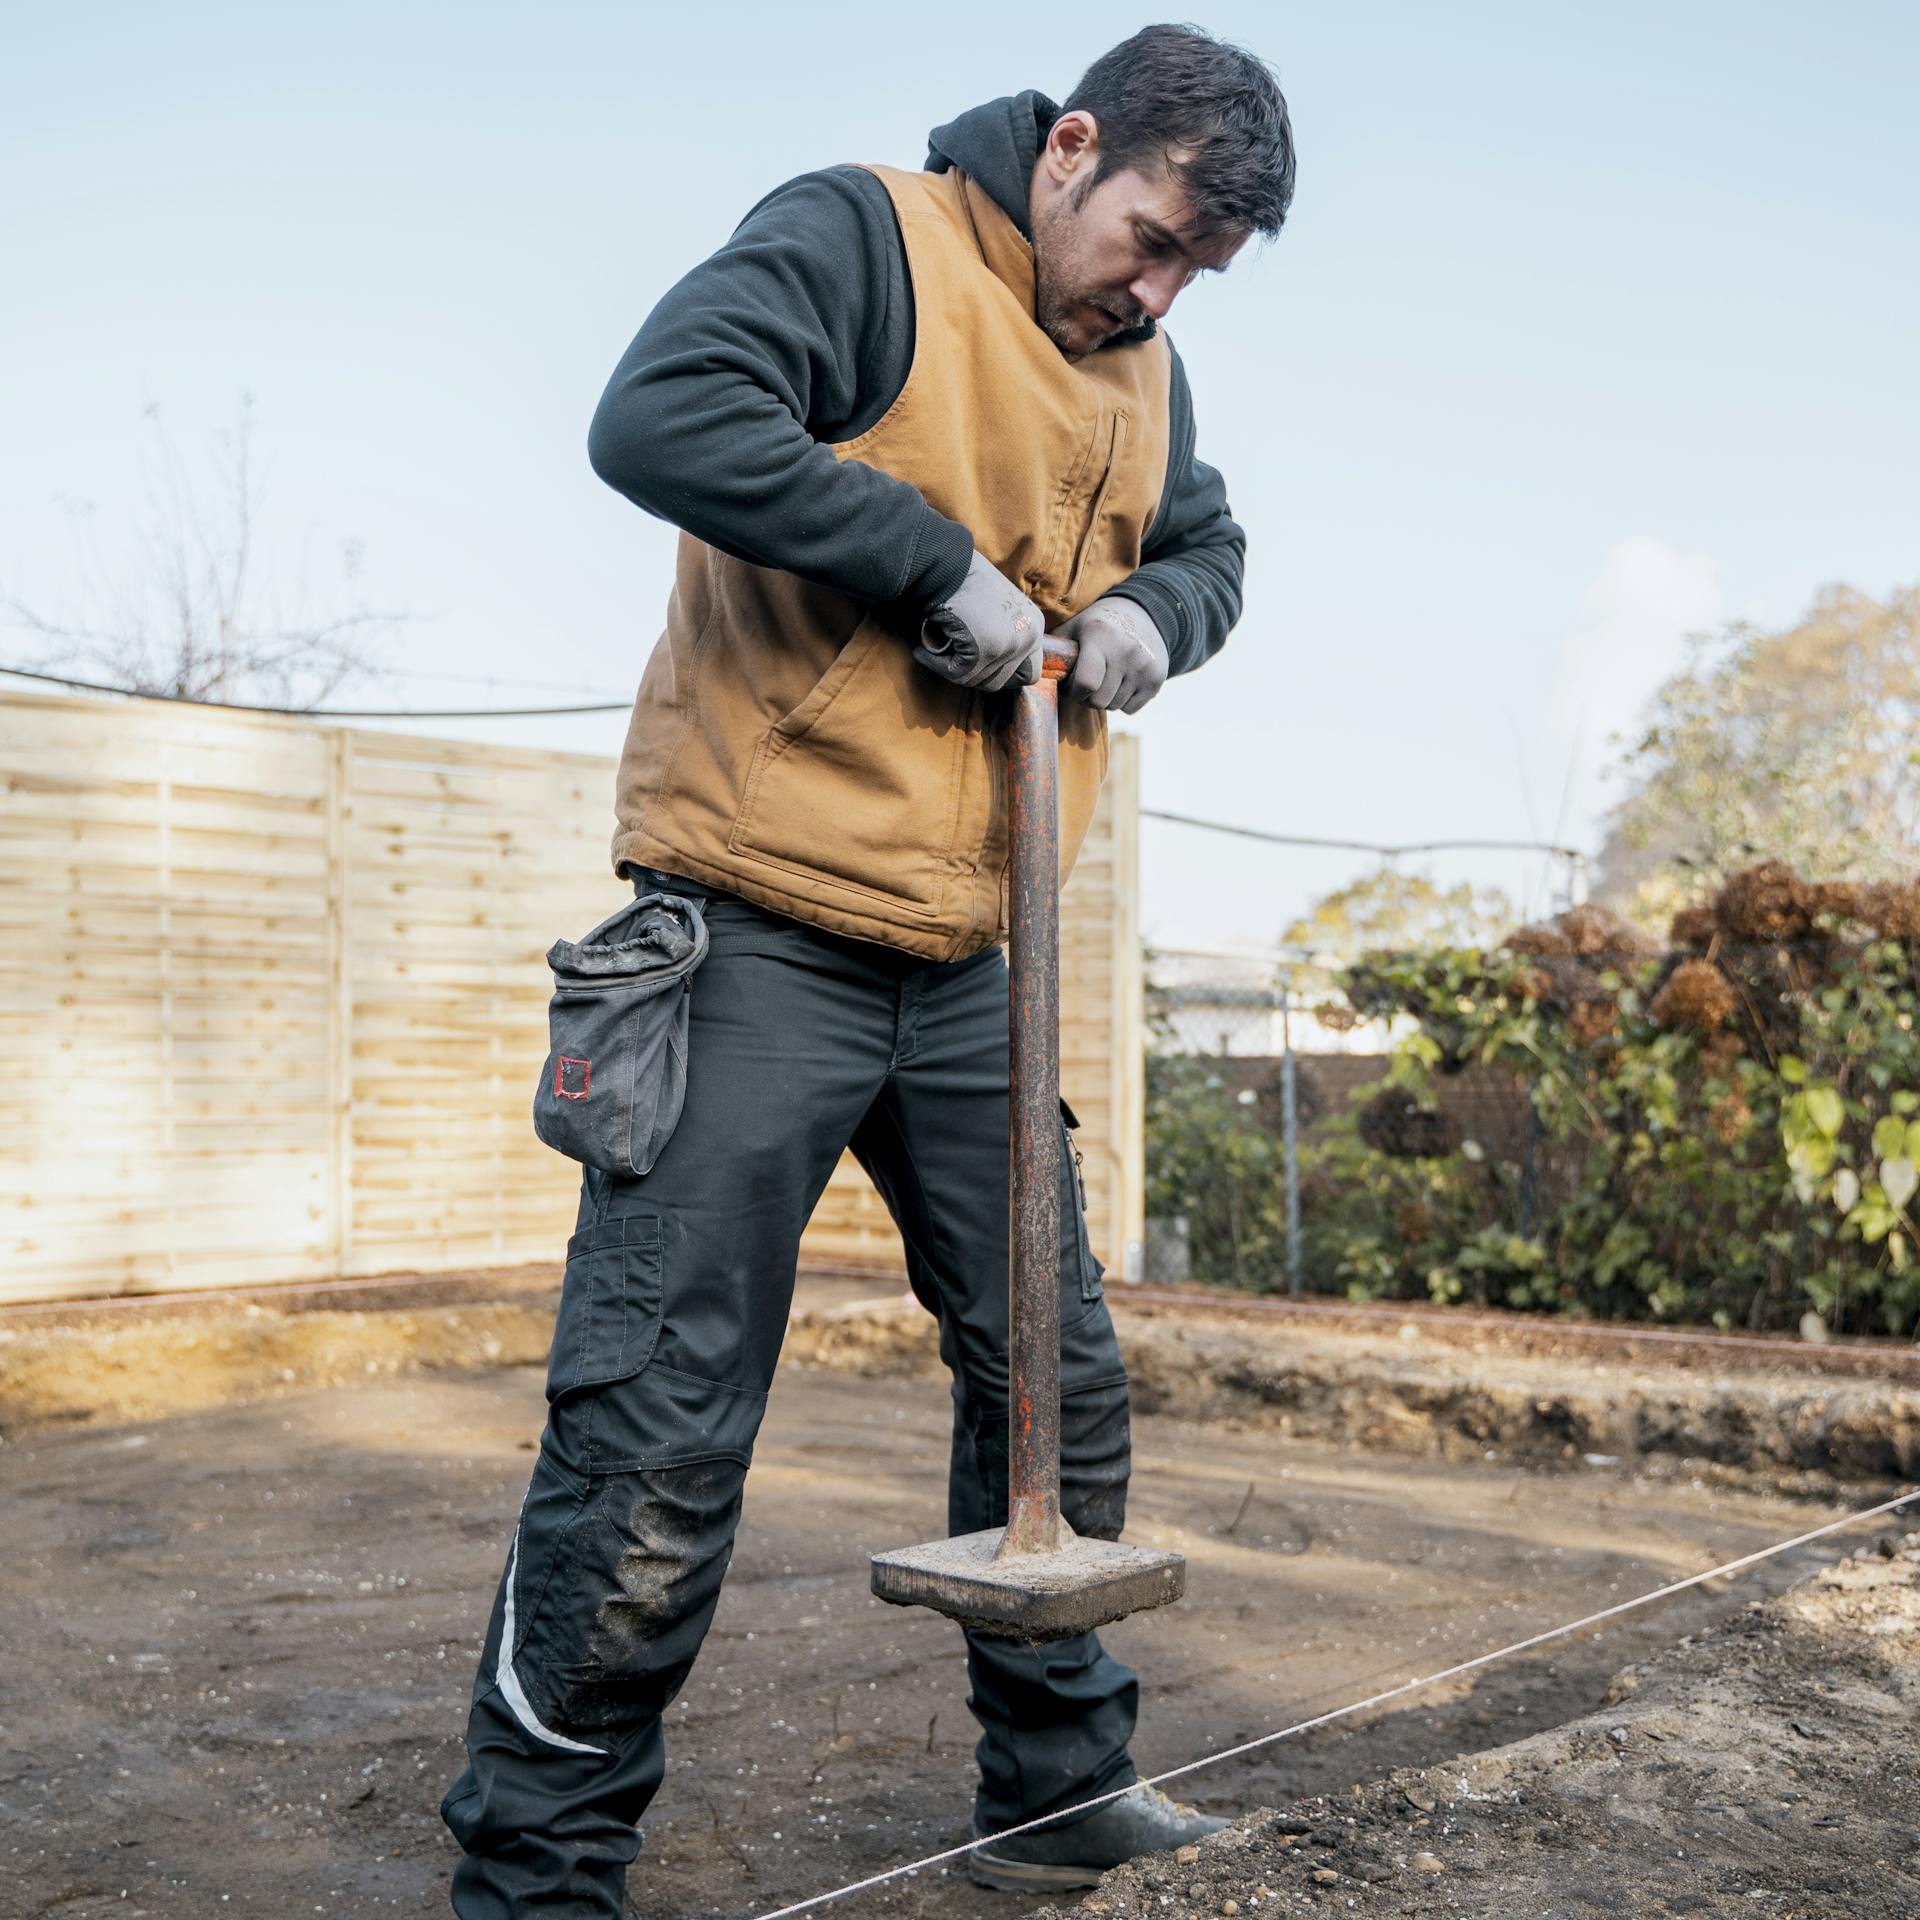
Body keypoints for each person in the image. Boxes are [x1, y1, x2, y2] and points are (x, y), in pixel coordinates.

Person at [441, 24, 1294, 1914]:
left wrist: (1164, 610)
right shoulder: (866, 240)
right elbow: (659, 411)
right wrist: (921, 562)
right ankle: (541, 1866)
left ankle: (1058, 1786)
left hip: (985, 959)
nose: (1154, 292)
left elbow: (1216, 541)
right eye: (1148, 237)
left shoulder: (1143, 367)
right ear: (1072, 148)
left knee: (1056, 1385)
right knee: (658, 1414)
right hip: (760, 918)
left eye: (1192, 275)